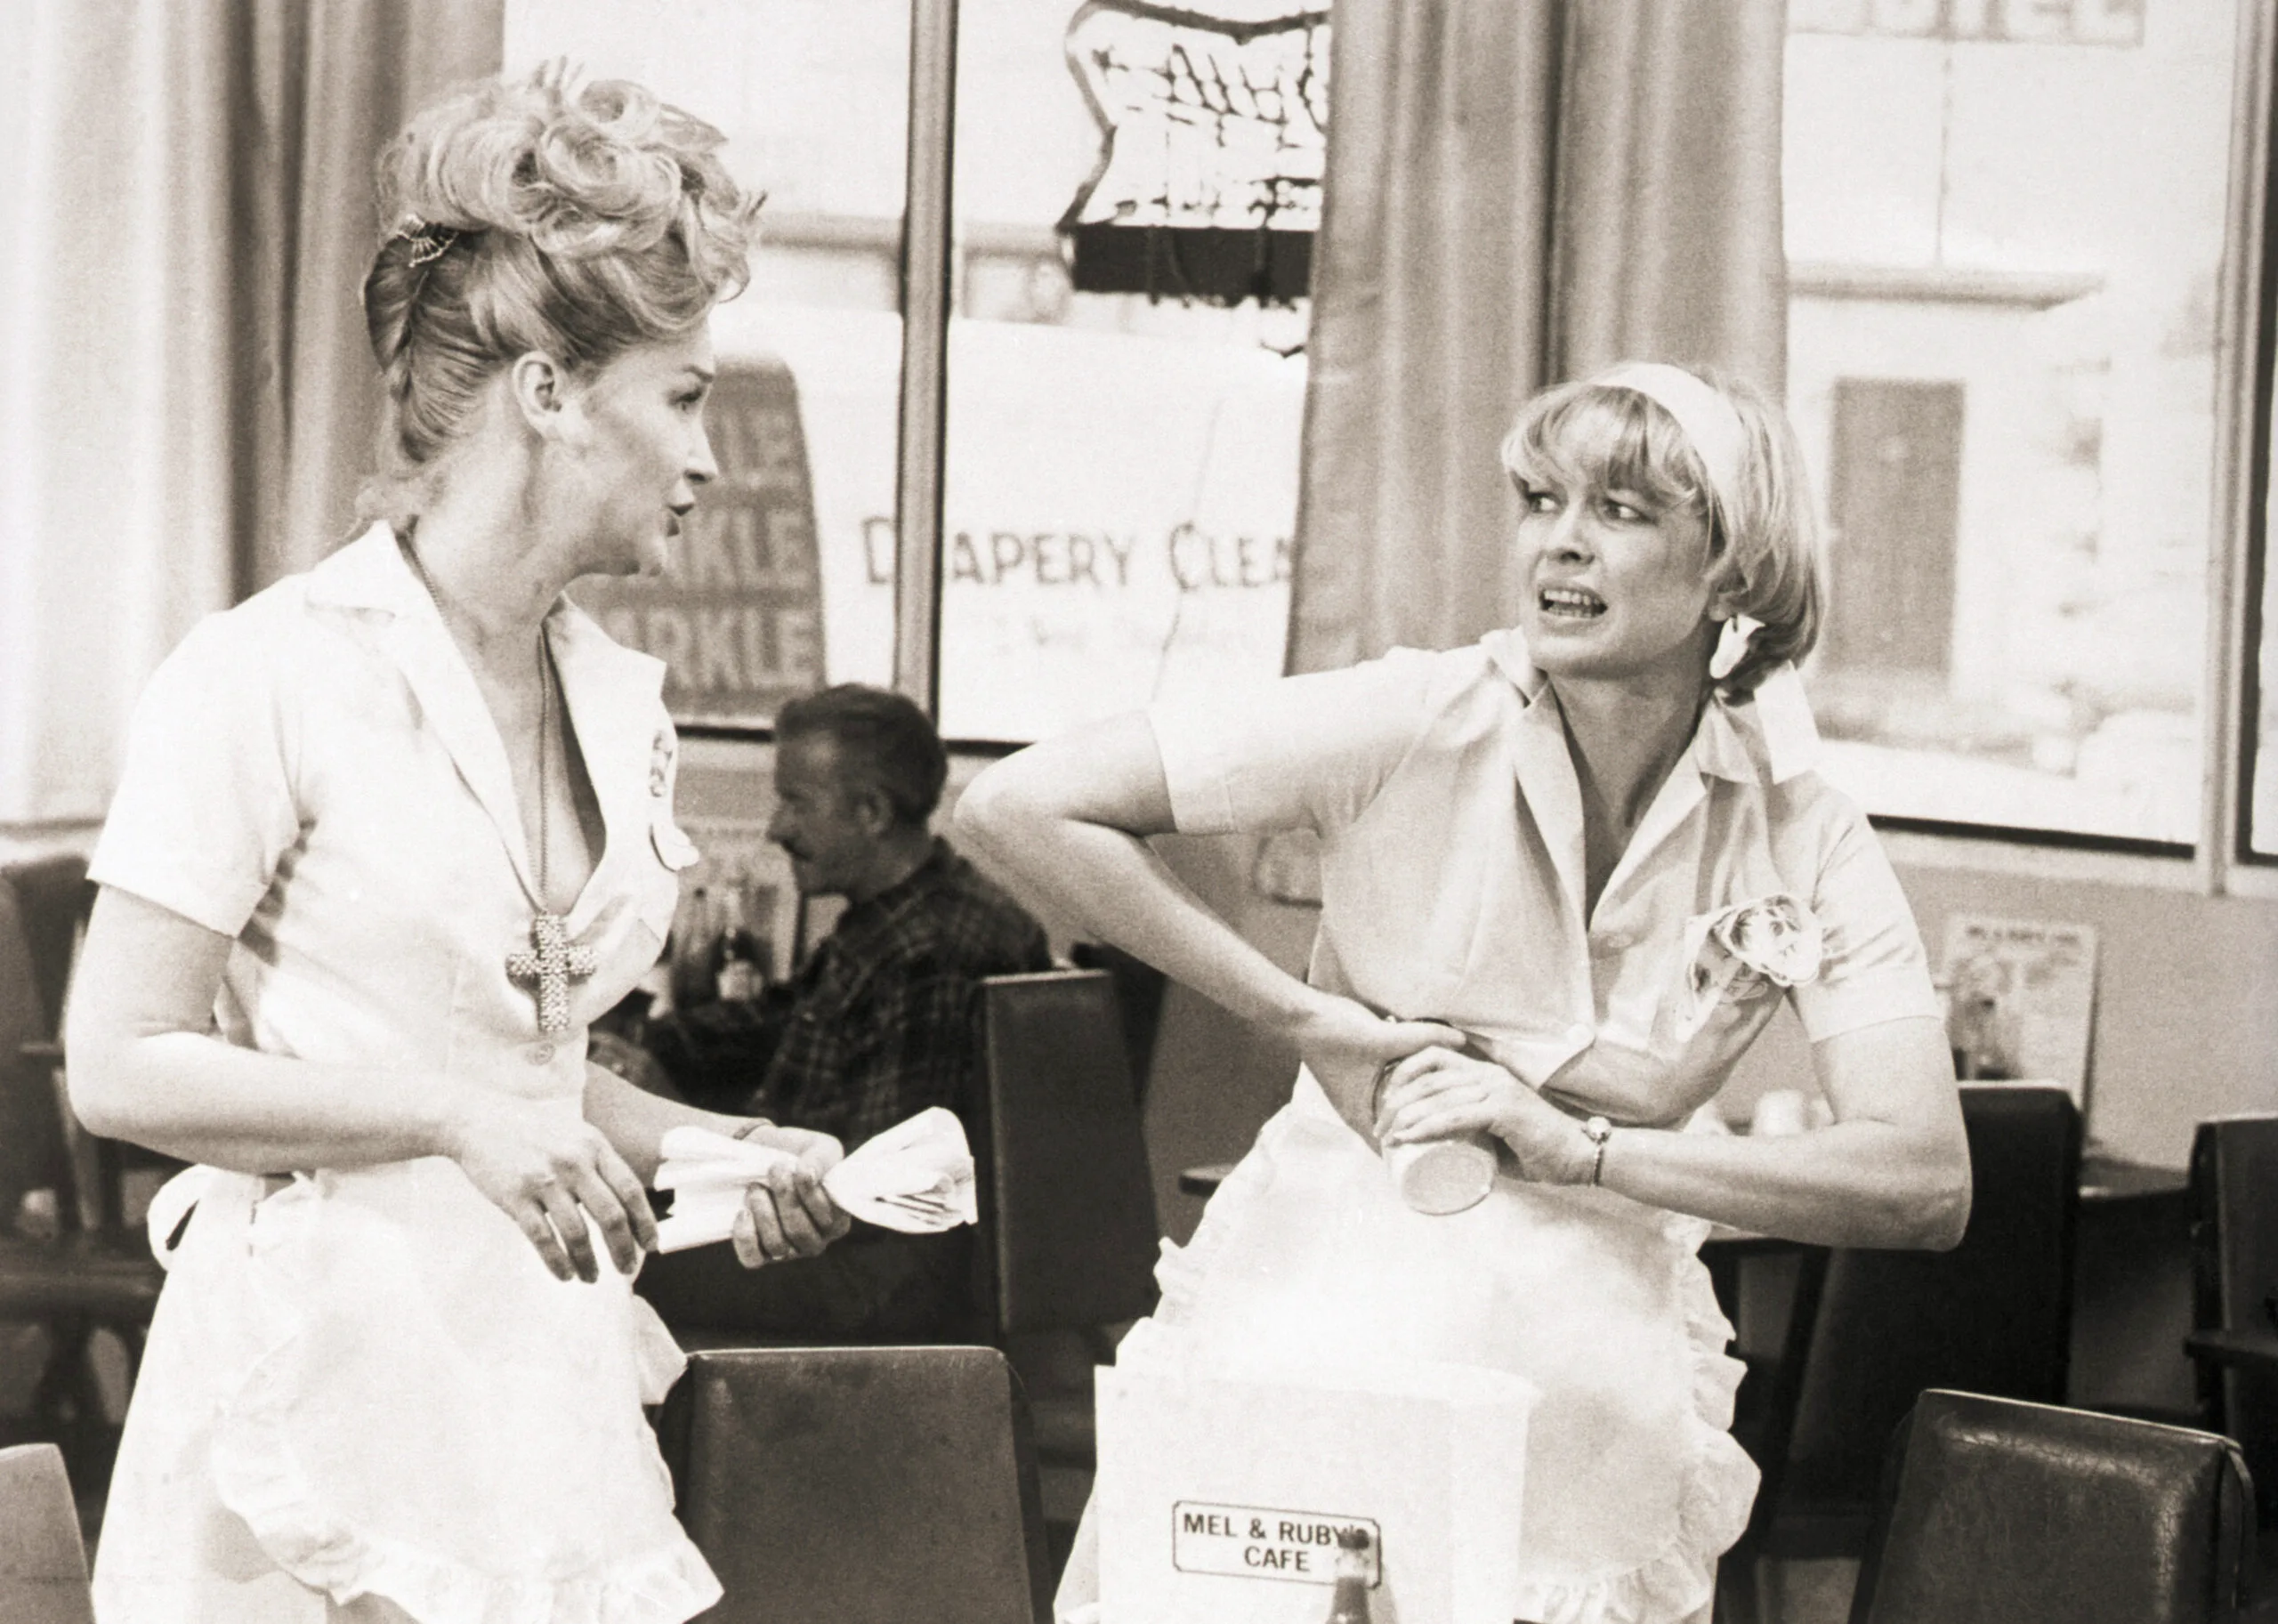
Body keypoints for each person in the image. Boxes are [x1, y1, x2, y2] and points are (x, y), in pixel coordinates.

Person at [957, 361, 1973, 1624]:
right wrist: (1305, 1016)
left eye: (1623, 509)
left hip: (1589, 1388)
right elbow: (1016, 804)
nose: (1560, 544)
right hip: (1325, 1340)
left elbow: (1925, 1182)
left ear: (1736, 563)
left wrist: (1590, 1153)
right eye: (1541, 499)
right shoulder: (1416, 712)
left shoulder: (1799, 822)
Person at [65, 63, 852, 1623]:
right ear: (550, 391)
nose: (709, 461)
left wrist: (717, 1150)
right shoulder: (269, 671)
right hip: (304, 1403)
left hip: (527, 1387)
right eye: (685, 396)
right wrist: (448, 1119)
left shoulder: (621, 700)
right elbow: (118, 1063)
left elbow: (536, 1081)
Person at [633, 683, 1054, 1342]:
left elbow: (875, 1192)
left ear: (871, 810)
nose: (776, 827)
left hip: (873, 1280)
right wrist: (648, 1045)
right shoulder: (897, 914)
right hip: (837, 1244)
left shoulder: (933, 951)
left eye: (795, 801)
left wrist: (719, 1147)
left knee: (600, 1258)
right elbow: (784, 1015)